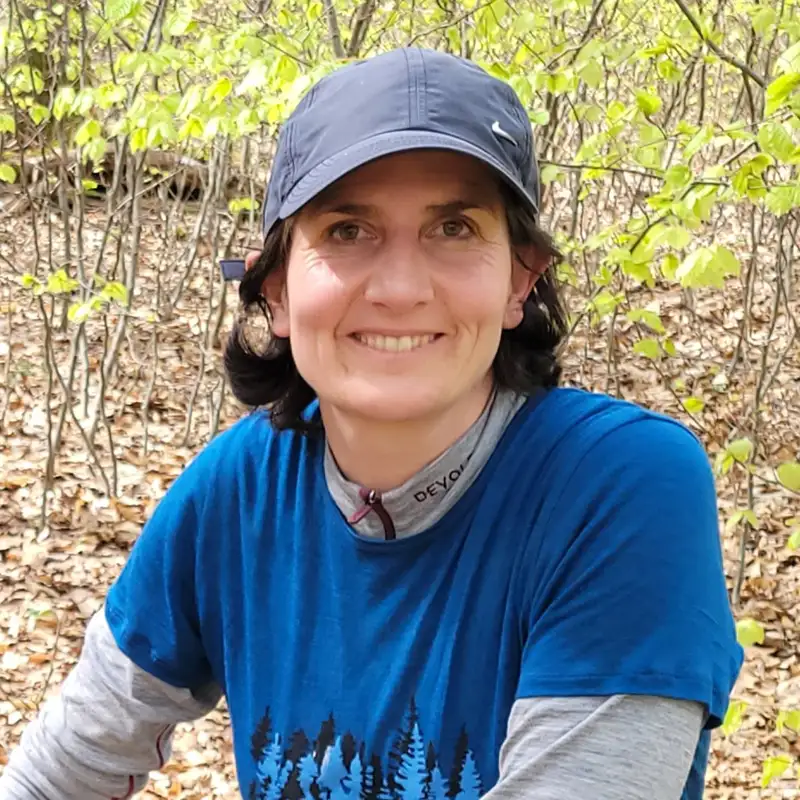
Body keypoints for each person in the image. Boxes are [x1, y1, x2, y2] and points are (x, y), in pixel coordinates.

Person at [0, 47, 743, 800]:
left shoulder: (618, 486)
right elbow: (68, 760)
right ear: (277, 291)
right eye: (348, 231)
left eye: (453, 228)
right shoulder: (240, 492)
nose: (398, 287)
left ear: (521, 280)